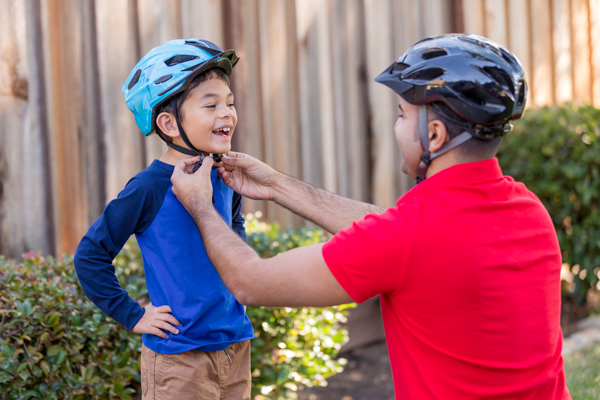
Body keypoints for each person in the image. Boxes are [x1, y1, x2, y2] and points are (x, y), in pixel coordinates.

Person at [170, 34, 571, 399]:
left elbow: (250, 283)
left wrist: (202, 207)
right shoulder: (526, 210)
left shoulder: (409, 237)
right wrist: (276, 185)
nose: (395, 126)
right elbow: (399, 235)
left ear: (434, 136)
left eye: (401, 114)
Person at [74, 39, 253, 400]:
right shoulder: (149, 187)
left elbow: (234, 226)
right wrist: (133, 315)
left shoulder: (224, 173)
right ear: (169, 123)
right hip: (178, 357)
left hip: (234, 344)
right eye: (211, 105)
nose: (227, 114)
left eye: (230, 103)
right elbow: (90, 256)